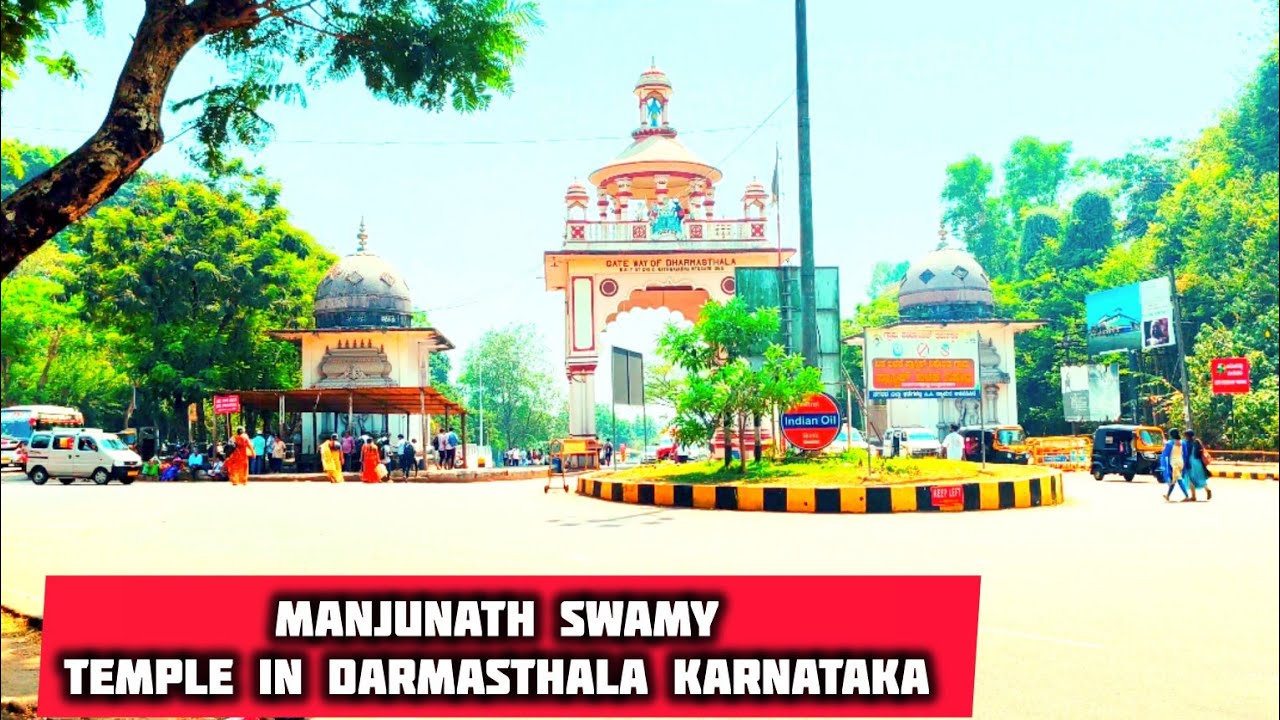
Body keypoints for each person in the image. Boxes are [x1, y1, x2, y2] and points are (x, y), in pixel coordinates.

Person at [1183, 430, 1213, 502]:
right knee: (1200, 478)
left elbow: (1186, 454)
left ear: (1187, 436)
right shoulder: (1197, 442)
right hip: (1198, 462)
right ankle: (1207, 489)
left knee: (1189, 479)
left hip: (1190, 462)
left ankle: (1193, 496)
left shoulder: (1187, 443)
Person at [1161, 429, 1189, 502]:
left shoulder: (1169, 443)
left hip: (1174, 463)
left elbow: (1165, 454)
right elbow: (1185, 454)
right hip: (1181, 462)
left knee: (1178, 479)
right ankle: (1167, 495)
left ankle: (1187, 496)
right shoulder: (1183, 442)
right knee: (1174, 479)